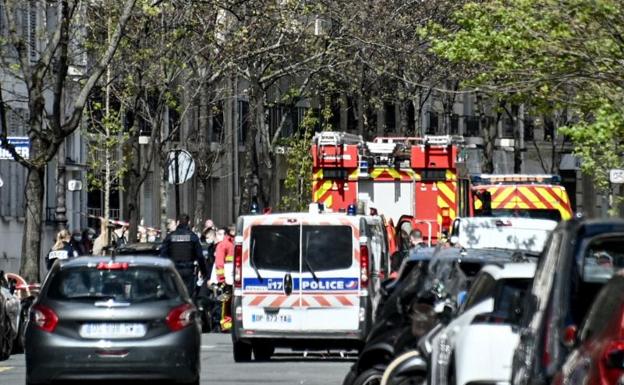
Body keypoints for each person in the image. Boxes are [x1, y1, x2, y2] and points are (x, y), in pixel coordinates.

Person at [160, 214, 208, 297]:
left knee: (174, 295)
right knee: (187, 296)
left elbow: (163, 255)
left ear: (178, 222)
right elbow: (200, 256)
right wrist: (204, 272)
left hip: (173, 270)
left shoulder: (170, 237)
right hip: (188, 271)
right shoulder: (193, 237)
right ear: (188, 222)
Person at [213, 225, 235, 331]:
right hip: (228, 279)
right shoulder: (223, 245)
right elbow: (219, 263)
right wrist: (222, 279)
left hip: (237, 278)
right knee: (226, 301)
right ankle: (226, 325)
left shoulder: (238, 242)